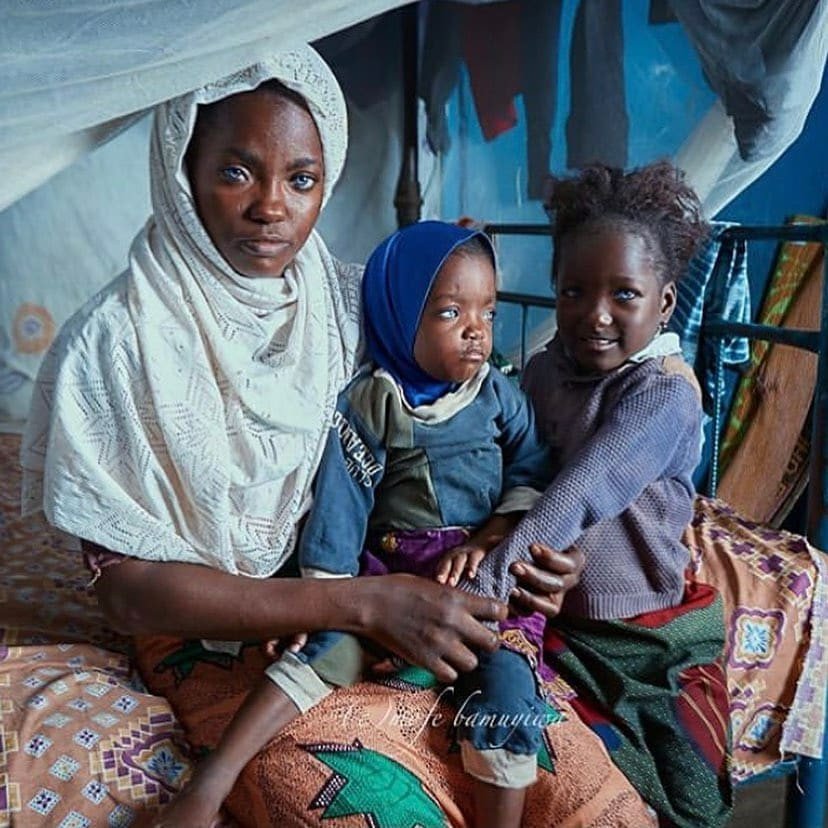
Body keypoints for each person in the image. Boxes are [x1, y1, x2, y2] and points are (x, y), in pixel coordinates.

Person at [19, 46, 590, 826]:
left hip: (392, 599)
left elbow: (471, 451)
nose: (271, 208)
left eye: (302, 179)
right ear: (182, 170)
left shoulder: (355, 306)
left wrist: (532, 549)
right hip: (218, 633)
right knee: (364, 808)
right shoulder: (115, 344)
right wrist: (362, 605)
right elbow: (126, 593)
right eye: (235, 172)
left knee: (582, 792)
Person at [152, 220, 558, 828]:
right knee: (321, 651)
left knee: (507, 686)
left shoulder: (498, 394)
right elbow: (341, 509)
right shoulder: (373, 402)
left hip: (478, 586)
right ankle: (209, 785)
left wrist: (491, 536)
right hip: (390, 583)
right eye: (450, 313)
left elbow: (533, 468)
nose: (477, 331)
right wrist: (323, 602)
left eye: (489, 313)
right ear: (398, 315)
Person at [465, 160, 733, 827]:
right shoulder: (546, 368)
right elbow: (519, 468)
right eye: (574, 292)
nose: (595, 316)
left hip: (634, 625)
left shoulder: (664, 393)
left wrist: (482, 589)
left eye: (624, 295)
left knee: (671, 778)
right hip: (555, 608)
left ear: (665, 302)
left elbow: (583, 490)